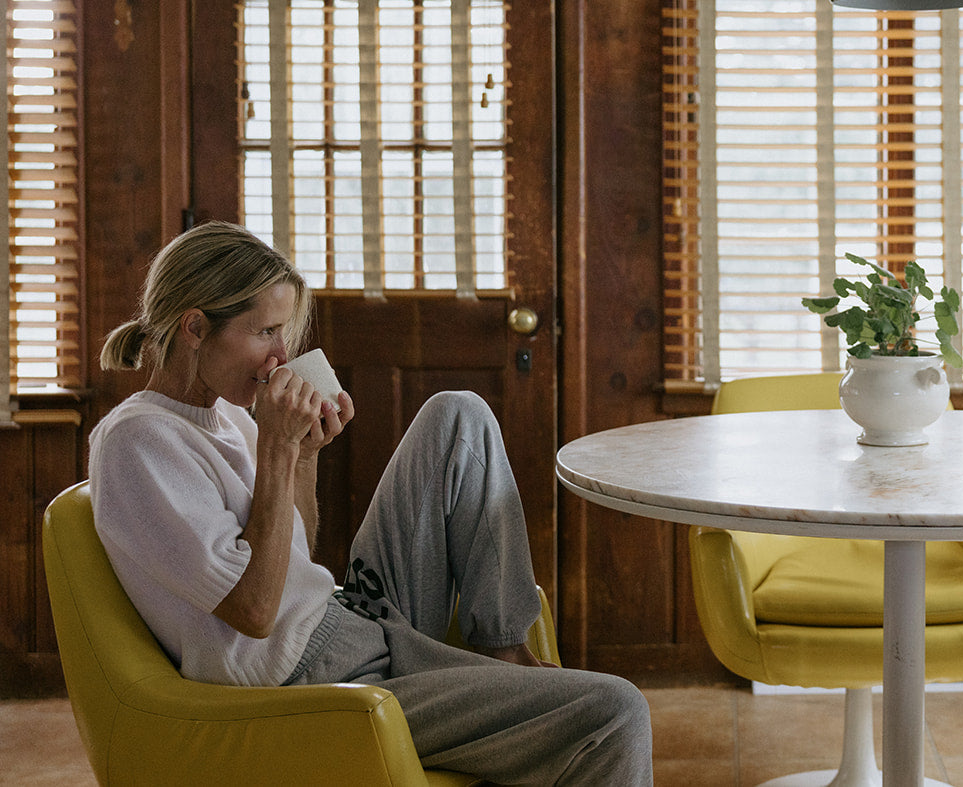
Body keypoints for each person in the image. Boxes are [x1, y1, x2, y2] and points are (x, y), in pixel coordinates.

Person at [88, 220, 653, 786]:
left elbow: (297, 556)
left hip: (351, 619)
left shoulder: (228, 415)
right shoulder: (138, 442)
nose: (280, 356)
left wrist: (303, 456)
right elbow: (255, 612)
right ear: (194, 327)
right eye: (265, 332)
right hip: (318, 684)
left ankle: (501, 647)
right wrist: (278, 451)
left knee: (458, 415)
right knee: (614, 711)